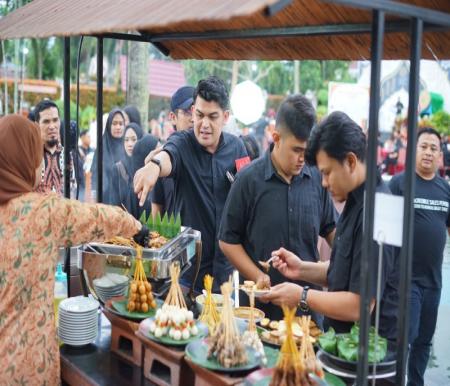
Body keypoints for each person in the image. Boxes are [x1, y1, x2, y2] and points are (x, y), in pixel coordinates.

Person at [0, 115, 148, 385]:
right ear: (22, 161)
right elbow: (96, 217)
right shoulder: (40, 211)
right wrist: (137, 227)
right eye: (36, 157)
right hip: (27, 364)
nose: (41, 167)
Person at [261, 111, 398, 344]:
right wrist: (301, 269)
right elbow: (344, 272)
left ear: (351, 162)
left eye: (326, 173)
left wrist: (302, 295)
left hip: (370, 358)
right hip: (341, 344)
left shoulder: (383, 211)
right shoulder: (355, 200)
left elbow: (360, 305)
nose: (323, 183)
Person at [218, 95, 336, 321]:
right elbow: (227, 240)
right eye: (296, 150)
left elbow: (331, 229)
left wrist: (348, 256)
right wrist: (258, 276)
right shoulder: (248, 180)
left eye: (307, 151)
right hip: (260, 311)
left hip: (306, 311)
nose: (302, 159)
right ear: (276, 137)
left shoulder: (316, 179)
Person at [134, 76, 248, 291]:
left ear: (225, 117)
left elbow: (247, 195)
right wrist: (154, 166)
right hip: (187, 273)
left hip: (225, 271)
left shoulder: (237, 148)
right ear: (193, 111)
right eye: (199, 115)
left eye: (212, 117)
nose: (204, 124)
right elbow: (168, 155)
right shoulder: (182, 142)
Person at [389, 128, 450, 386]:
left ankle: (416, 383)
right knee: (405, 338)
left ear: (440, 155)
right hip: (405, 281)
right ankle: (394, 381)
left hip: (433, 281)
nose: (428, 152)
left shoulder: (445, 190)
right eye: (423, 146)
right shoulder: (399, 184)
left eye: (433, 148)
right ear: (413, 150)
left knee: (425, 340)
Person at [152, 86, 195, 217]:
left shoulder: (209, 153)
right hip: (173, 235)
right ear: (172, 117)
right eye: (188, 112)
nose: (193, 119)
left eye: (197, 112)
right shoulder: (163, 156)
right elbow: (156, 211)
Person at [33, 99, 75, 196]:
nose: (52, 126)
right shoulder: (31, 155)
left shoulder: (67, 155)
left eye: (55, 120)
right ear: (36, 125)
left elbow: (73, 190)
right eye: (46, 122)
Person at [91, 108, 126, 203]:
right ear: (108, 125)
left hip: (125, 203)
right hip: (104, 203)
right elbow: (94, 177)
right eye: (114, 123)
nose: (118, 127)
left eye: (121, 124)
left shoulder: (128, 147)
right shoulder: (101, 148)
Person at [111, 122, 144, 217]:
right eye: (126, 140)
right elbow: (114, 205)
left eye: (134, 139)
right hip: (125, 226)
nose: (130, 144)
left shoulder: (146, 168)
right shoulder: (117, 169)